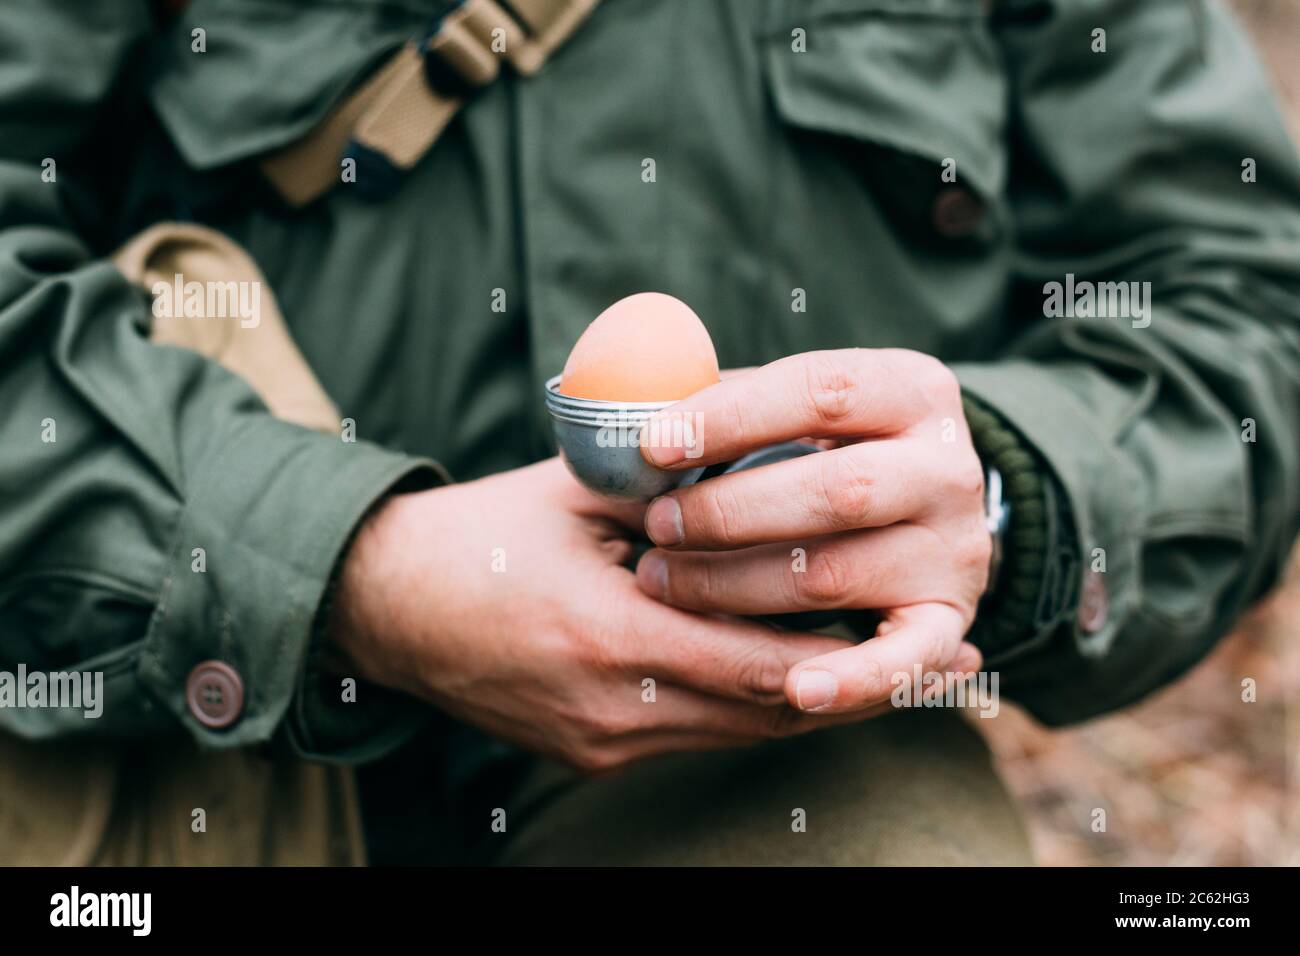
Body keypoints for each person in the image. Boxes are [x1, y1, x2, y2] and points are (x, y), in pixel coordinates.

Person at [1, 0, 1297, 866]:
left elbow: (1242, 298)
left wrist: (1013, 493)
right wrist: (342, 565)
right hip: (203, 731)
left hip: (763, 739)